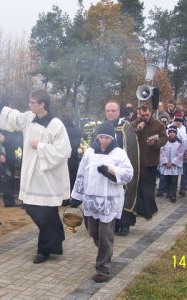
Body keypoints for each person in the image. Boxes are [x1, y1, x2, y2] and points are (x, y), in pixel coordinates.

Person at [0, 88, 71, 264]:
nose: (29, 104)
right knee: (31, 207)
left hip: (48, 176)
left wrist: (40, 146)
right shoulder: (29, 118)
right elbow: (10, 114)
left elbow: (64, 151)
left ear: (42, 104)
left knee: (48, 210)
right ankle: (56, 236)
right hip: (31, 174)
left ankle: (44, 250)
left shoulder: (56, 125)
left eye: (32, 102)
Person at [70, 121, 133, 283]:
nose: (103, 141)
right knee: (93, 232)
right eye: (101, 137)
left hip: (108, 202)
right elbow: (81, 174)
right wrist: (76, 195)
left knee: (105, 235)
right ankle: (106, 252)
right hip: (91, 200)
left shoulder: (119, 153)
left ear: (112, 138)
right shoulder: (90, 152)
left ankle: (103, 268)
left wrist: (111, 171)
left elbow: (128, 174)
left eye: (107, 137)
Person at [103, 101, 139, 236]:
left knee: (125, 194)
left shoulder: (126, 127)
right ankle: (111, 223)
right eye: (108, 111)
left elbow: (131, 149)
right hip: (107, 167)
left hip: (122, 166)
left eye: (113, 111)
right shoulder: (102, 126)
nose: (110, 113)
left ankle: (124, 224)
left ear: (119, 112)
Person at [132, 105, 167, 220]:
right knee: (140, 187)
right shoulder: (134, 124)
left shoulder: (158, 124)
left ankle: (150, 210)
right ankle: (142, 210)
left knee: (150, 187)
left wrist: (155, 144)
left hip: (151, 160)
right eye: (143, 115)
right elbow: (129, 137)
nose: (145, 117)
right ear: (139, 114)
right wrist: (138, 129)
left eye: (147, 115)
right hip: (137, 160)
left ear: (150, 113)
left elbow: (164, 138)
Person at [60, 114, 81, 207]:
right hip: (74, 158)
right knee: (73, 178)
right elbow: (77, 143)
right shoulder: (76, 129)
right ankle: (72, 198)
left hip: (64, 158)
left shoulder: (62, 130)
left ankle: (64, 199)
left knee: (64, 179)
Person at [159, 126, 184, 202]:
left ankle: (173, 195)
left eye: (173, 132)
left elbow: (180, 154)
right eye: (170, 132)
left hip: (174, 165)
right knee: (167, 179)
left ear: (176, 133)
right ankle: (168, 192)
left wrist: (173, 163)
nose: (172, 134)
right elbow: (161, 152)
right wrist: (166, 162)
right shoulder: (165, 142)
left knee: (174, 180)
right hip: (166, 164)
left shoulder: (179, 142)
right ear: (168, 133)